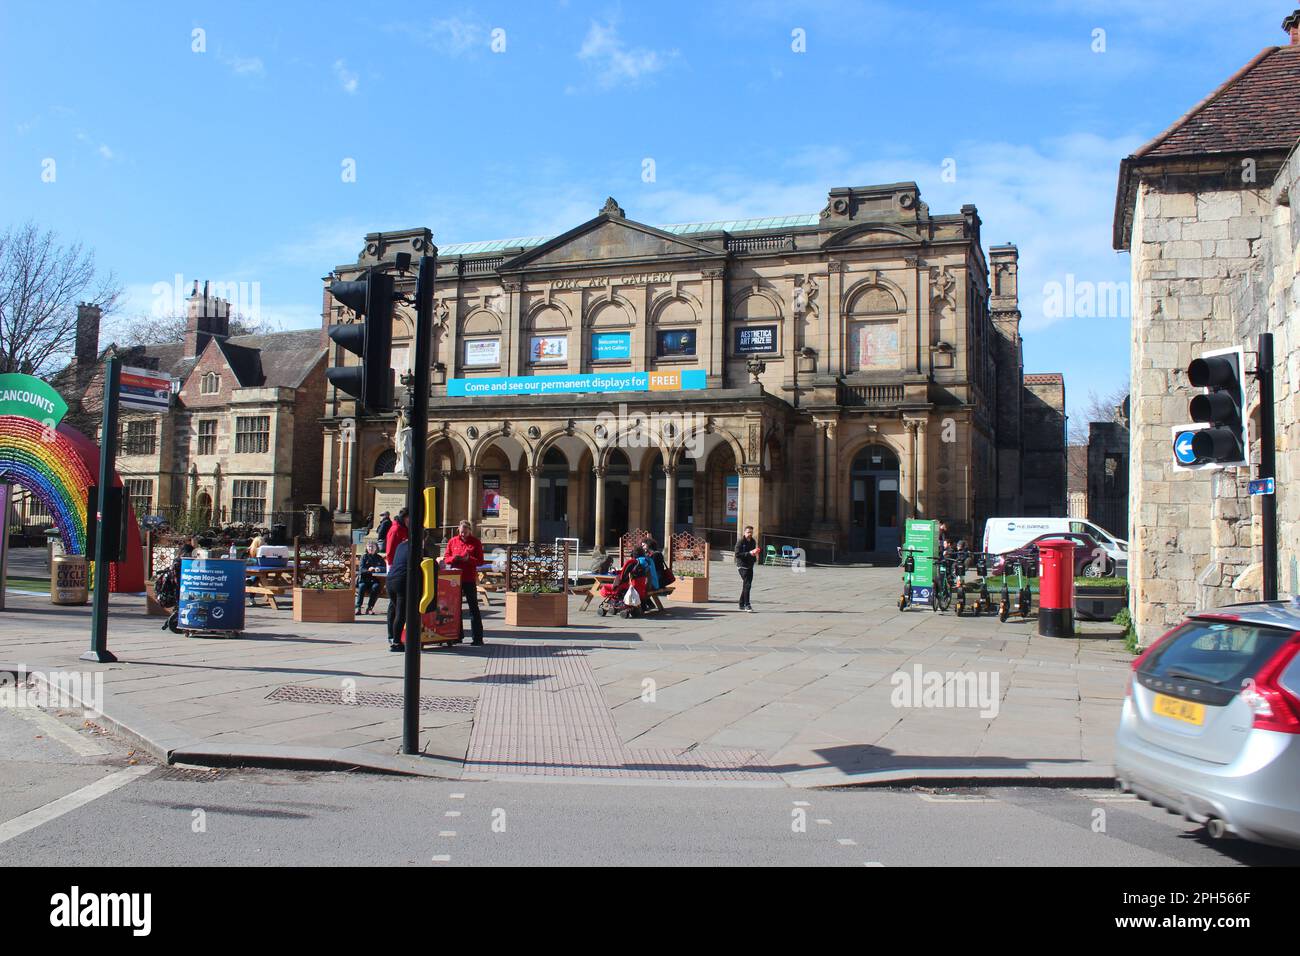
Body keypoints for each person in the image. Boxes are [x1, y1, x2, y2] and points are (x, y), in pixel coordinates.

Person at [442, 520, 485, 646]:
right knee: (455, 608)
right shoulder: (452, 541)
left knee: (473, 607)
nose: (463, 535)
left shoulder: (475, 542)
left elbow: (480, 561)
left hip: (469, 578)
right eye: (461, 532)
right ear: (458, 531)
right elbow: (446, 558)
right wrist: (453, 559)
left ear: (469, 531)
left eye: (465, 533)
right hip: (454, 578)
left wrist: (469, 559)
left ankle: (477, 637)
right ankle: (457, 635)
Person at [386, 537, 410, 651]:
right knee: (401, 613)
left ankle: (392, 637)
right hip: (401, 581)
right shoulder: (416, 547)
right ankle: (396, 643)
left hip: (390, 579)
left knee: (394, 610)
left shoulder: (400, 545)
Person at [355, 541, 385, 615]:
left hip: (374, 580)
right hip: (364, 579)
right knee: (362, 586)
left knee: (376, 587)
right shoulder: (364, 557)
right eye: (369, 546)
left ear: (376, 548)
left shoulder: (379, 558)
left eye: (372, 547)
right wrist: (369, 569)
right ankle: (358, 607)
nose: (371, 548)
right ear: (367, 548)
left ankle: (370, 608)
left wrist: (379, 569)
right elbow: (361, 569)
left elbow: (385, 568)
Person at [734, 525, 759, 612]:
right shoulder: (740, 542)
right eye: (748, 532)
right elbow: (737, 554)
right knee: (747, 584)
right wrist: (749, 553)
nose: (750, 534)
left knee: (747, 585)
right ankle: (747, 604)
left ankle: (741, 603)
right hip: (742, 566)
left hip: (750, 565)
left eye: (751, 532)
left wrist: (754, 557)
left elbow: (753, 553)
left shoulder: (753, 541)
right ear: (744, 532)